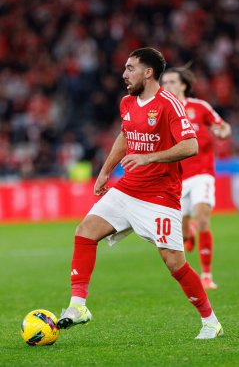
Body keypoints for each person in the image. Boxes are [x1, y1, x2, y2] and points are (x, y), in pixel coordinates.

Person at [57, 47, 223, 339]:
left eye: (130, 68)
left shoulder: (169, 104)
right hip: (128, 188)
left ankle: (210, 321)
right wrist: (106, 170)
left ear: (148, 72)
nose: (124, 74)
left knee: (174, 262)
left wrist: (149, 157)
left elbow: (190, 145)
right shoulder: (127, 102)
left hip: (160, 196)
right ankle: (78, 306)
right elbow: (125, 135)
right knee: (85, 231)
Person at [161, 66, 231, 290]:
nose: (168, 86)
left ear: (183, 85)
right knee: (180, 235)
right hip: (178, 179)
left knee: (202, 219)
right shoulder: (163, 112)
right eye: (165, 83)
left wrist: (223, 132)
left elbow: (222, 126)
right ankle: (187, 231)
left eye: (172, 82)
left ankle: (207, 275)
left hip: (203, 173)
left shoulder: (200, 107)